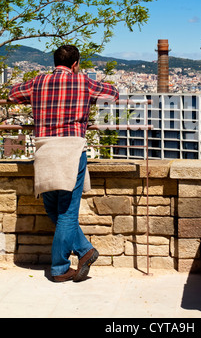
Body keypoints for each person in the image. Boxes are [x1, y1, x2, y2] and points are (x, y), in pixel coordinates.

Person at [8, 45, 119, 282]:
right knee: (67, 211)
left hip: (45, 149)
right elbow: (114, 94)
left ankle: (86, 250)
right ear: (76, 64)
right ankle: (60, 268)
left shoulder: (38, 82)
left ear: (54, 62)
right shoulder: (84, 83)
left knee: (52, 208)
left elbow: (11, 94)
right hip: (71, 149)